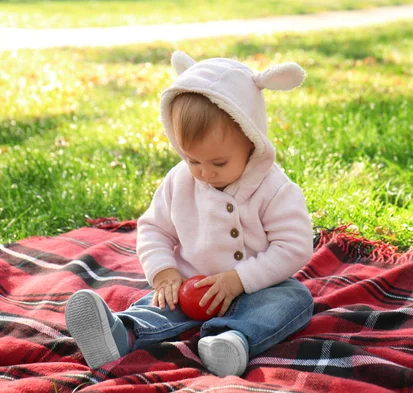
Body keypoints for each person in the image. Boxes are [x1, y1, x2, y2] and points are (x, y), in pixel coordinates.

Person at [65, 51, 314, 377]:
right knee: (161, 303)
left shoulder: (274, 189)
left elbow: (294, 246)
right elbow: (154, 229)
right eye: (192, 160)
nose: (204, 173)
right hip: (190, 287)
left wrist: (240, 280)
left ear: (252, 141)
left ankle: (232, 341)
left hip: (259, 289)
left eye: (218, 163)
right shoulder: (178, 182)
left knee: (294, 298)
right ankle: (121, 331)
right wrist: (165, 273)